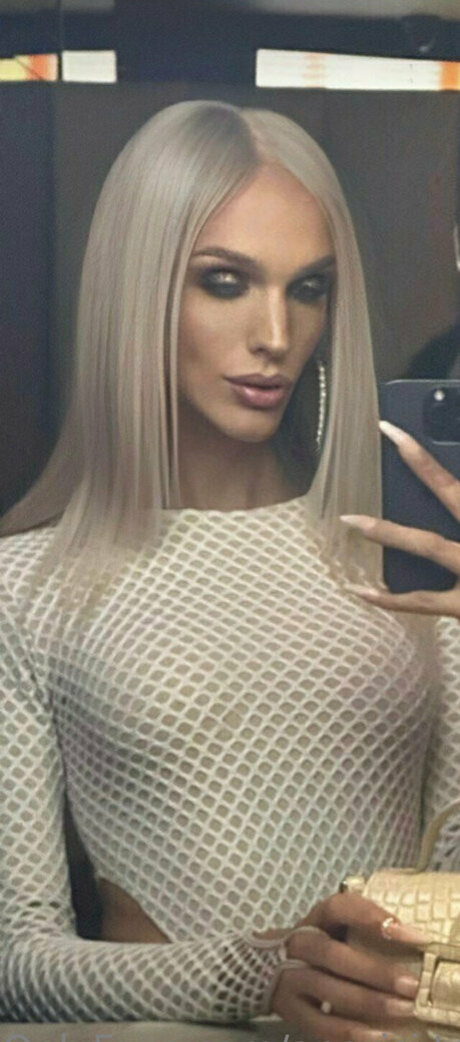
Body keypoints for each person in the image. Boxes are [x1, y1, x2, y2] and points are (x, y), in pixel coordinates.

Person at [0, 99, 459, 1037]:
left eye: (309, 288)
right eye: (224, 282)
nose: (277, 335)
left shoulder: (406, 554)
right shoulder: (26, 589)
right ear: (138, 291)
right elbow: (18, 961)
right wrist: (260, 974)